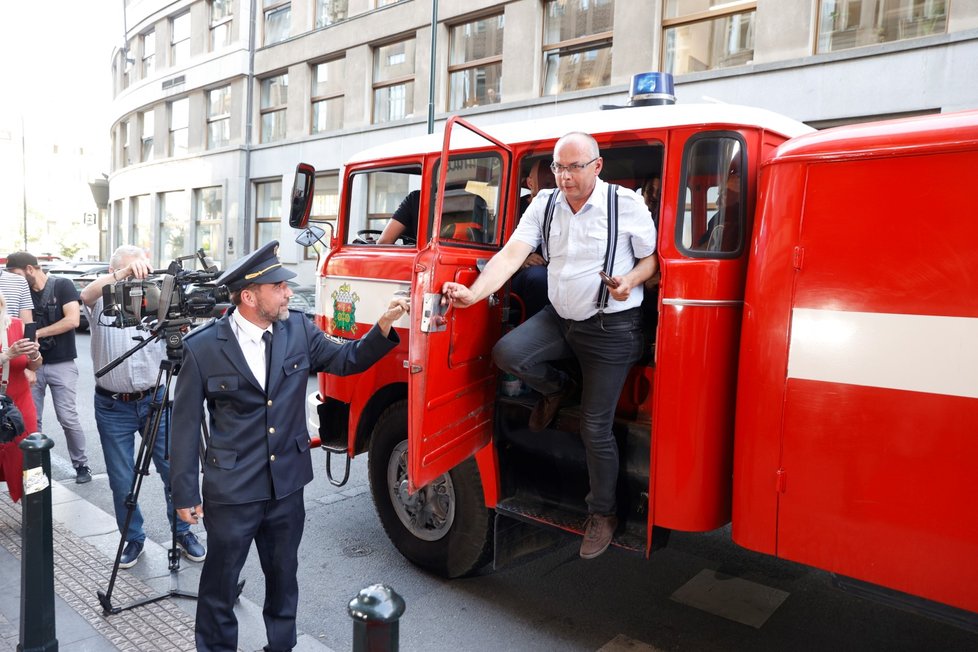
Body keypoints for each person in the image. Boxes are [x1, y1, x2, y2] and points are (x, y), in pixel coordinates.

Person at [169, 241, 408, 652]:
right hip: (232, 491)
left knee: (284, 580)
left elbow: (347, 359)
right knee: (219, 587)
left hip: (286, 486)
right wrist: (185, 492)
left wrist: (382, 326)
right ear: (249, 295)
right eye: (278, 286)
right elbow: (185, 427)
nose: (287, 293)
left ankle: (280, 647)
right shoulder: (203, 346)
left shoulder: (298, 329)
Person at [442, 132, 658, 560]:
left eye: (574, 167)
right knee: (508, 353)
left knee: (596, 428)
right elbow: (509, 255)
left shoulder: (626, 205)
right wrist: (475, 293)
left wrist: (629, 282)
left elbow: (652, 262)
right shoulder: (544, 204)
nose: (565, 177)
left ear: (597, 167)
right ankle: (557, 388)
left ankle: (603, 514)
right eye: (559, 167)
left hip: (611, 327)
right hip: (561, 319)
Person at [80, 245, 206, 569]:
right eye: (135, 271)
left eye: (144, 271)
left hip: (156, 398)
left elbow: (179, 341)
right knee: (122, 479)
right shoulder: (101, 302)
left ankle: (183, 531)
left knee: (174, 471)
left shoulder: (157, 299)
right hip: (112, 406)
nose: (142, 277)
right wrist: (121, 275)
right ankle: (133, 538)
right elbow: (86, 293)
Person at [5, 252, 91, 483]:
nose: (13, 280)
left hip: (61, 363)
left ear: (30, 269)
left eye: (16, 274)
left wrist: (36, 334)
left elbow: (72, 320)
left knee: (68, 418)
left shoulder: (62, 285)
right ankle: (36, 470)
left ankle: (81, 465)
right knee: (33, 421)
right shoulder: (21, 294)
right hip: (30, 366)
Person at [0, 291, 42, 502]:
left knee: (30, 459)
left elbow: (33, 365)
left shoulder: (16, 325)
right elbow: (11, 358)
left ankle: (35, 510)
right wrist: (7, 355)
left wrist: (34, 354)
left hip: (19, 404)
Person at [511, 159, 558, 320]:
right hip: (520, 273)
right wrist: (522, 259)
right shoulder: (514, 208)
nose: (552, 188)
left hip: (557, 270)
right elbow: (501, 251)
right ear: (530, 183)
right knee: (538, 277)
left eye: (554, 183)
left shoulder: (563, 208)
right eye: (547, 183)